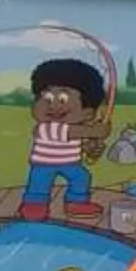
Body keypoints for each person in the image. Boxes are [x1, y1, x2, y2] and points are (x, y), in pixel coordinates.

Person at [21, 57, 111, 222]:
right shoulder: (45, 128)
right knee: (39, 184)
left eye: (63, 100)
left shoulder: (78, 129)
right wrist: (95, 132)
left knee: (82, 177)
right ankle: (35, 204)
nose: (53, 106)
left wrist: (91, 148)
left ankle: (76, 203)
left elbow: (79, 144)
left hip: (70, 163)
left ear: (87, 113)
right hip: (43, 164)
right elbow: (70, 132)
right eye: (46, 98)